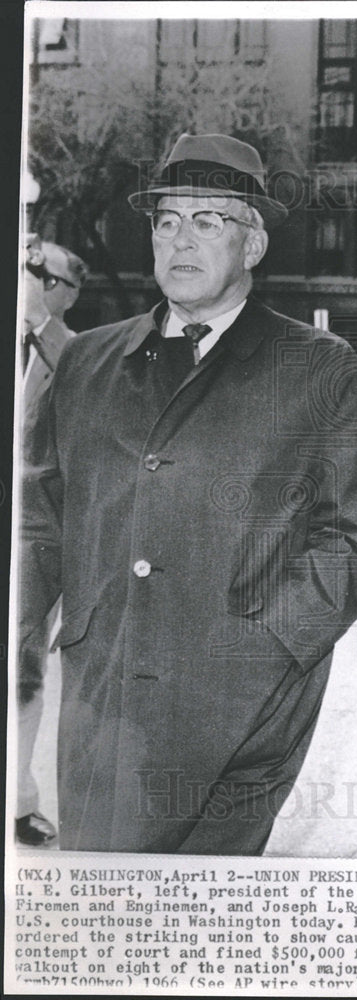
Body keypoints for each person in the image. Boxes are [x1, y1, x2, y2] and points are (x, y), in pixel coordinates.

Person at [19, 133, 357, 854]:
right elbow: (39, 520)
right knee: (104, 917)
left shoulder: (319, 369)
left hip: (244, 709)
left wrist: (270, 643)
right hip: (106, 703)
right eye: (166, 221)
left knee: (196, 928)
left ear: (252, 245)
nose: (179, 240)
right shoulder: (89, 361)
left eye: (207, 221)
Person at [17, 241, 88, 846]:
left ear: (63, 293)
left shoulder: (74, 355)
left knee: (20, 671)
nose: (25, 278)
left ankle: (18, 802)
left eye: (37, 273)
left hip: (32, 537)